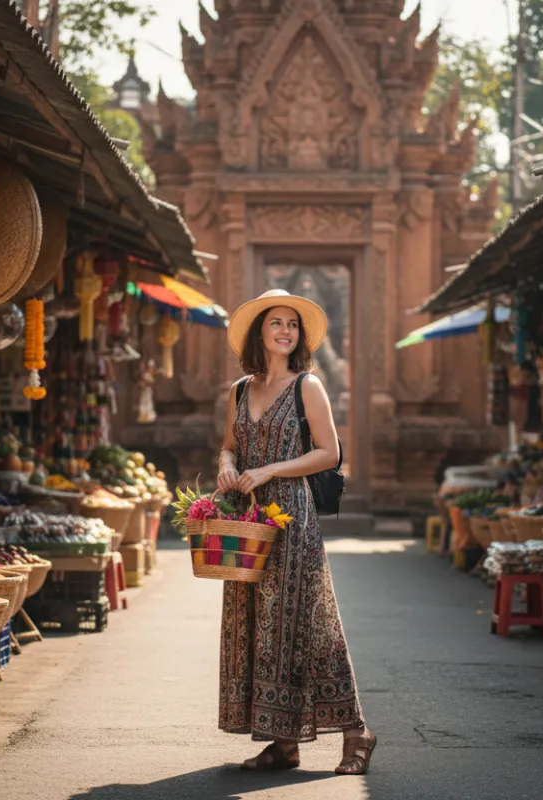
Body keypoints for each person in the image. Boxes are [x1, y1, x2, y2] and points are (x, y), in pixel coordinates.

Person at [216, 289, 375, 775]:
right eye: (276, 323)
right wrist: (226, 467)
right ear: (259, 333)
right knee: (259, 628)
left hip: (292, 519)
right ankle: (282, 743)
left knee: (309, 626)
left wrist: (271, 471)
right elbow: (228, 447)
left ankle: (357, 734)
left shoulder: (309, 385)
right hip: (247, 521)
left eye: (292, 325)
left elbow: (330, 453)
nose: (285, 331)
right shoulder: (240, 389)